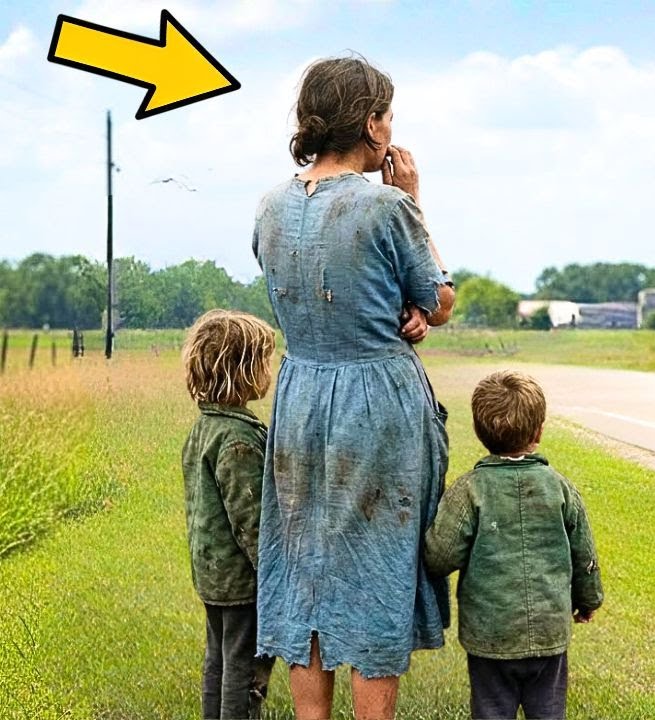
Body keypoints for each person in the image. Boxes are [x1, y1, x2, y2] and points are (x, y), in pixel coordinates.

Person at [252, 55, 457, 720]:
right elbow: (438, 297)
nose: (392, 129)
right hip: (375, 400)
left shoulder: (271, 206)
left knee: (305, 562)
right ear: (370, 124)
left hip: (300, 394)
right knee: (375, 564)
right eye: (388, 115)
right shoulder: (389, 206)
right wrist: (418, 202)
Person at [425, 371, 604, 720]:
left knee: (491, 711)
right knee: (549, 712)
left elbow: (440, 556)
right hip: (549, 632)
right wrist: (589, 599)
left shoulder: (470, 491)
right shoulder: (561, 490)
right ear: (538, 432)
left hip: (490, 636)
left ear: (480, 432)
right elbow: (584, 554)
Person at [180, 309, 278, 720]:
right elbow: (251, 521)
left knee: (219, 658)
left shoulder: (205, 428)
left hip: (212, 574)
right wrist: (274, 576)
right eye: (264, 361)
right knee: (243, 668)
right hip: (241, 581)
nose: (269, 370)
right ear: (242, 371)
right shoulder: (239, 441)